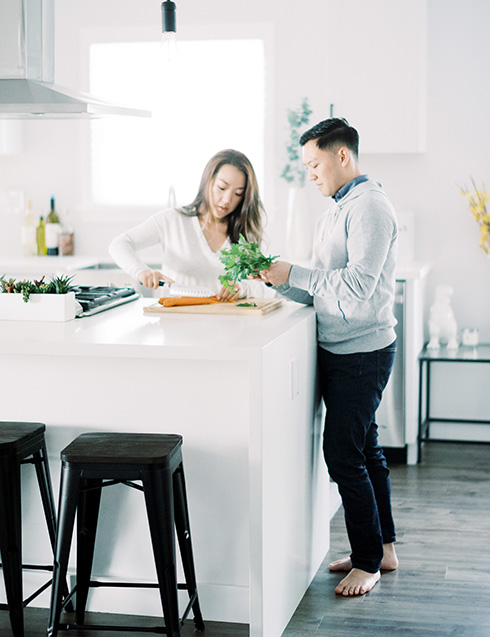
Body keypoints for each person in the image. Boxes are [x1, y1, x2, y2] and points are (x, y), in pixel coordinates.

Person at [252, 118, 399, 596]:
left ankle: (368, 562)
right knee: (366, 449)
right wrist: (280, 284)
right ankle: (384, 547)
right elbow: (324, 288)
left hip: (362, 352)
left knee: (342, 455)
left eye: (315, 164)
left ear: (342, 156)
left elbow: (357, 288)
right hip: (343, 349)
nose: (310, 174)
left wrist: (295, 271)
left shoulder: (370, 207)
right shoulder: (336, 209)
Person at [109, 149, 267, 300]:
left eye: (238, 193)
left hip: (227, 322)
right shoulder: (172, 220)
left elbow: (265, 287)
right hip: (175, 322)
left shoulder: (247, 233)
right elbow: (119, 244)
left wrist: (244, 289)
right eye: (222, 188)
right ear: (208, 181)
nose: (226, 199)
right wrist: (141, 271)